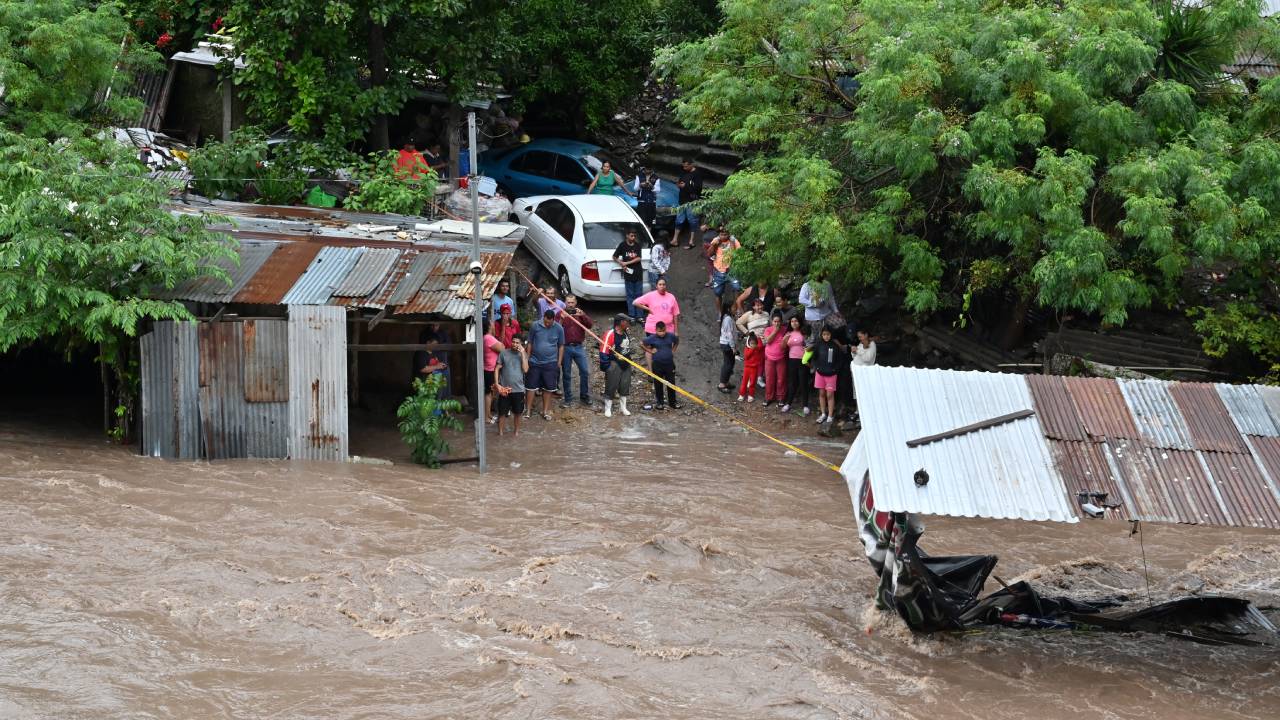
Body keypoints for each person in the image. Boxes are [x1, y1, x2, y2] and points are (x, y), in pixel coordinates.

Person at [525, 309, 565, 420]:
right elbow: (530, 342)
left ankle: (545, 411)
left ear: (553, 320)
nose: (547, 324)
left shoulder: (559, 328)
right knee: (530, 387)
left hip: (551, 362)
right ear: (544, 318)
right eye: (546, 322)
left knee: (548, 388)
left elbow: (561, 345)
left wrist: (559, 362)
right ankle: (527, 410)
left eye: (550, 323)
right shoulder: (535, 326)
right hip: (534, 361)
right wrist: (527, 358)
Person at [559, 294, 594, 408]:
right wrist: (561, 319)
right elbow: (554, 329)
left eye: (572, 302)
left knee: (585, 371)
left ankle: (584, 396)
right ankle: (568, 399)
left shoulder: (580, 313)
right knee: (567, 374)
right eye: (568, 302)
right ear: (565, 302)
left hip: (579, 346)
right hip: (565, 347)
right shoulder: (560, 313)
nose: (570, 304)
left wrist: (583, 315)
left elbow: (590, 325)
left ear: (575, 303)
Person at [493, 334, 529, 436]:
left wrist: (522, 353)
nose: (514, 344)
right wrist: (497, 384)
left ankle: (516, 433)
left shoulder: (523, 354)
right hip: (505, 389)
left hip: (518, 389)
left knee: (518, 413)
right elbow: (497, 369)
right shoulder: (504, 353)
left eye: (517, 342)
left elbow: (525, 369)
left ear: (521, 344)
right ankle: (500, 433)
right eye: (513, 342)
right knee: (502, 413)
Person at [600, 314, 634, 418]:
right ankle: (608, 408)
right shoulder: (610, 334)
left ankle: (623, 408)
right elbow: (604, 350)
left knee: (625, 385)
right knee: (611, 386)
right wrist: (607, 366)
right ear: (620, 322)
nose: (628, 324)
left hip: (626, 362)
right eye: (626, 322)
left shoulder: (626, 332)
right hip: (614, 363)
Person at [642, 321, 681, 411]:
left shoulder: (670, 336)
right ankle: (660, 403)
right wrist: (650, 351)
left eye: (663, 331)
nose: (662, 333)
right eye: (659, 331)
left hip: (669, 364)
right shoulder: (652, 338)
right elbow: (642, 343)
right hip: (657, 364)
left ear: (665, 329)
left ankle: (673, 402)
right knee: (658, 384)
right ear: (656, 330)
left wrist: (673, 350)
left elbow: (677, 341)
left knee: (671, 383)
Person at [812, 326, 846, 425]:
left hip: (831, 374)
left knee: (830, 394)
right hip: (820, 373)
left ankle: (830, 415)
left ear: (831, 335)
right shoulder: (818, 344)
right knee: (821, 394)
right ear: (821, 335)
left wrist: (835, 369)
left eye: (828, 334)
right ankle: (823, 414)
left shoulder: (835, 345)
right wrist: (817, 367)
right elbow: (814, 358)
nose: (826, 336)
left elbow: (840, 359)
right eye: (824, 335)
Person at [612, 229, 645, 320]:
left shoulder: (637, 245)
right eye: (631, 235)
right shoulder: (622, 245)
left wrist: (626, 263)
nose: (633, 237)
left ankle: (640, 316)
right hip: (628, 274)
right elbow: (614, 256)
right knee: (630, 295)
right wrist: (621, 263)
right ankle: (632, 315)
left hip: (638, 273)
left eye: (634, 236)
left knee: (639, 295)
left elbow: (638, 258)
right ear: (627, 235)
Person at [707, 228, 742, 314]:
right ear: (719, 234)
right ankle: (720, 312)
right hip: (719, 271)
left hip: (732, 270)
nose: (723, 236)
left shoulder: (733, 240)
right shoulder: (715, 240)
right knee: (717, 293)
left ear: (729, 234)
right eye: (721, 234)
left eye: (725, 234)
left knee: (737, 288)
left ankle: (736, 307)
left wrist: (733, 244)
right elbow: (709, 254)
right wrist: (714, 245)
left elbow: (738, 254)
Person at [673, 159, 704, 249]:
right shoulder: (683, 172)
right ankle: (675, 239)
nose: (684, 168)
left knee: (692, 220)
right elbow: (680, 181)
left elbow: (698, 188)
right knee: (679, 220)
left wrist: (685, 186)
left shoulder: (697, 174)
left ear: (691, 165)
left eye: (686, 166)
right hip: (682, 200)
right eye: (683, 166)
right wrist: (679, 184)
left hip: (692, 201)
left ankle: (692, 241)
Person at [411, 329, 450, 396]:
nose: (436, 346)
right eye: (434, 344)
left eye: (437, 344)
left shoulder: (433, 352)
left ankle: (442, 399)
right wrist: (437, 366)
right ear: (428, 342)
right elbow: (423, 369)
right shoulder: (421, 353)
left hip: (433, 383)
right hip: (423, 384)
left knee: (446, 371)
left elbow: (436, 363)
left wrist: (441, 365)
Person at [781, 316, 808, 414]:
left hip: (803, 360)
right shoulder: (788, 333)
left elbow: (808, 345)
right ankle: (788, 403)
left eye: (796, 321)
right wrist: (784, 339)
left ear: (799, 322)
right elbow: (783, 347)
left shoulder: (804, 332)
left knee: (803, 382)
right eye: (792, 321)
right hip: (791, 360)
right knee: (792, 382)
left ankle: (805, 405)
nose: (794, 323)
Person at [481, 319, 505, 424]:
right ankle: (486, 417)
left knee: (490, 393)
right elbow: (502, 348)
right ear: (489, 326)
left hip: (489, 368)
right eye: (492, 324)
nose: (494, 325)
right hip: (490, 369)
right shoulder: (488, 338)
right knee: (488, 393)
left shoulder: (488, 338)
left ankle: (489, 414)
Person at [850, 329, 877, 418]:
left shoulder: (872, 345)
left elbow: (868, 358)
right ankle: (857, 411)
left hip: (864, 374)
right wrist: (853, 352)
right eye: (858, 337)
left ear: (866, 335)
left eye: (860, 336)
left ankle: (864, 412)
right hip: (856, 372)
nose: (860, 338)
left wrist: (857, 351)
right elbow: (856, 356)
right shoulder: (861, 344)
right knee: (856, 393)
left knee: (863, 393)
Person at [762, 314, 788, 407]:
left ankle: (780, 397)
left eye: (778, 321)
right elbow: (768, 341)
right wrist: (776, 330)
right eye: (775, 321)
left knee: (781, 379)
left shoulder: (785, 329)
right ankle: (769, 397)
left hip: (781, 357)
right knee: (769, 378)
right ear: (772, 321)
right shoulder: (768, 329)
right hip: (769, 357)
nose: (776, 323)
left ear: (781, 322)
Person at [717, 305, 737, 394]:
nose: (735, 309)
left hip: (726, 343)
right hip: (727, 344)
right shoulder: (728, 318)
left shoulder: (727, 317)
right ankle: (722, 384)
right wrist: (733, 347)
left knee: (730, 363)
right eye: (734, 308)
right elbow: (729, 334)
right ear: (729, 308)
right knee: (728, 364)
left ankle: (726, 382)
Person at [737, 332, 762, 402]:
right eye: (751, 343)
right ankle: (742, 394)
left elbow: (760, 345)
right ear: (749, 343)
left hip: (754, 369)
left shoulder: (758, 349)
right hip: (747, 368)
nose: (753, 345)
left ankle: (751, 395)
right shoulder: (747, 349)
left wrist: (758, 338)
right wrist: (752, 349)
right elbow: (746, 356)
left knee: (752, 382)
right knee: (744, 382)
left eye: (754, 343)